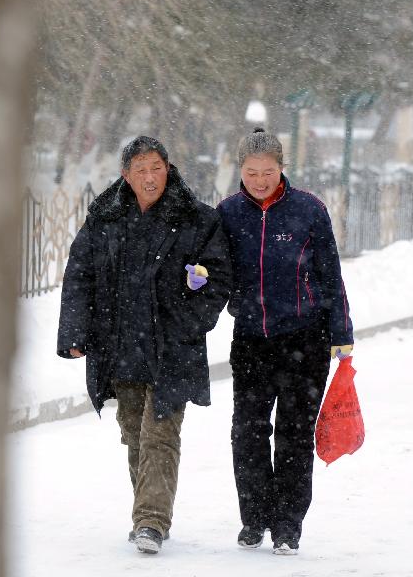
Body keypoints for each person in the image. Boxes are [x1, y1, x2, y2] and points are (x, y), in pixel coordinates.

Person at [57, 136, 231, 554]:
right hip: (120, 344)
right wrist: (75, 334)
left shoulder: (197, 219)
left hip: (172, 346)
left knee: (160, 435)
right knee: (134, 435)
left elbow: (220, 276)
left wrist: (189, 320)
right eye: (141, 170)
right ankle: (147, 510)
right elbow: (80, 274)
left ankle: (150, 520)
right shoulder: (105, 218)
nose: (150, 177)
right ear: (126, 175)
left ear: (168, 169)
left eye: (156, 167)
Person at [217, 128, 353, 555]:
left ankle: (288, 525)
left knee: (294, 435)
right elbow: (212, 268)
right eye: (252, 172)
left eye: (268, 171)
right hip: (252, 339)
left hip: (305, 339)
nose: (260, 180)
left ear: (282, 169)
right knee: (248, 432)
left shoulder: (308, 210)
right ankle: (255, 519)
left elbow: (330, 273)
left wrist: (341, 334)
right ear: (240, 170)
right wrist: (198, 280)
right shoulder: (227, 213)